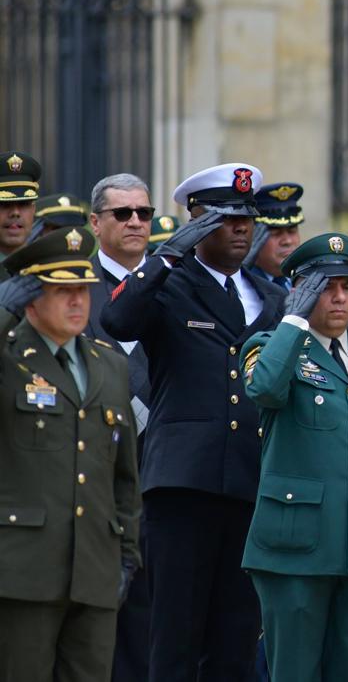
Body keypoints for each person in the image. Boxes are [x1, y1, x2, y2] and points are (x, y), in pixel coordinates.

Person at [100, 162, 287, 682]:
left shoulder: (271, 297)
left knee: (235, 641)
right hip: (184, 484)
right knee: (175, 639)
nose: (242, 227)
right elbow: (116, 321)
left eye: (248, 216)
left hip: (251, 485)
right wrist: (168, 253)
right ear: (197, 221)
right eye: (226, 218)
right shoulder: (168, 285)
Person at [240, 232, 348, 682]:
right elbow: (265, 389)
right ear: (299, 290)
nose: (339, 297)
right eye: (325, 286)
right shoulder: (269, 345)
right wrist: (293, 320)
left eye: (346, 287)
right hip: (296, 550)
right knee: (293, 672)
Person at [0, 228, 141, 681]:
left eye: (82, 289)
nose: (78, 301)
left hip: (95, 571)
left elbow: (125, 475)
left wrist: (126, 555)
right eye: (62, 291)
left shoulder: (109, 365)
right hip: (22, 572)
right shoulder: (9, 357)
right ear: (31, 298)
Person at [83, 172, 156, 682]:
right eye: (122, 213)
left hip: (164, 479)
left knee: (158, 627)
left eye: (144, 214)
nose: (135, 222)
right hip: (96, 479)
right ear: (95, 222)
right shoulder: (74, 285)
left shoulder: (176, 284)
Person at [244, 182, 305, 291]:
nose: (287, 241)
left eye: (292, 231)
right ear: (254, 236)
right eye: (275, 233)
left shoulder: (305, 280)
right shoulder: (242, 285)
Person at [0, 151, 42, 272]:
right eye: (4, 204)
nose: (15, 212)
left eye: (24, 204)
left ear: (33, 210)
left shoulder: (48, 270)